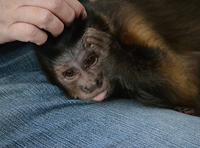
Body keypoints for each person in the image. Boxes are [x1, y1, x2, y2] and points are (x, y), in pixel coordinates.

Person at [0, 0, 200, 147]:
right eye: (70, 73)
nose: (91, 83)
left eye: (91, 61)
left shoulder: (116, 22)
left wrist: (119, 58)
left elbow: (184, 90)